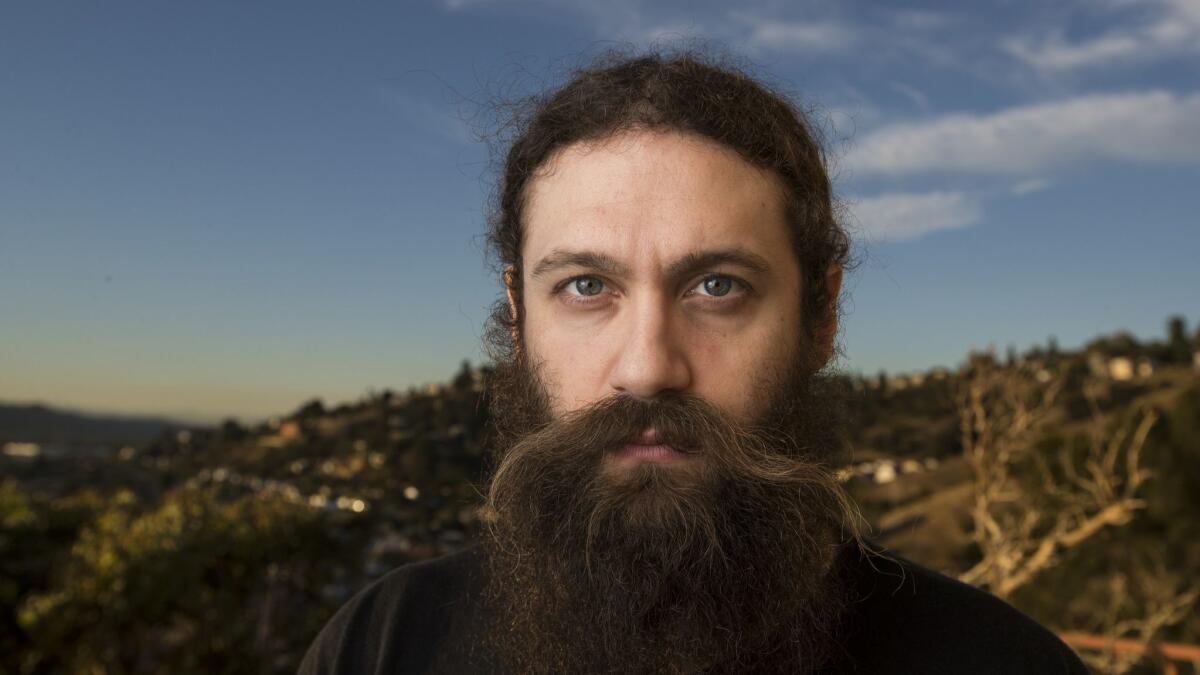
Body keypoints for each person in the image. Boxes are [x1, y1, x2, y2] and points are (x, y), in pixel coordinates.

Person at [298, 51, 1089, 674]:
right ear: (517, 315)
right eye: (585, 286)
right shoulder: (383, 644)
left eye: (718, 286)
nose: (647, 367)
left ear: (823, 313)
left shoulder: (1006, 662)